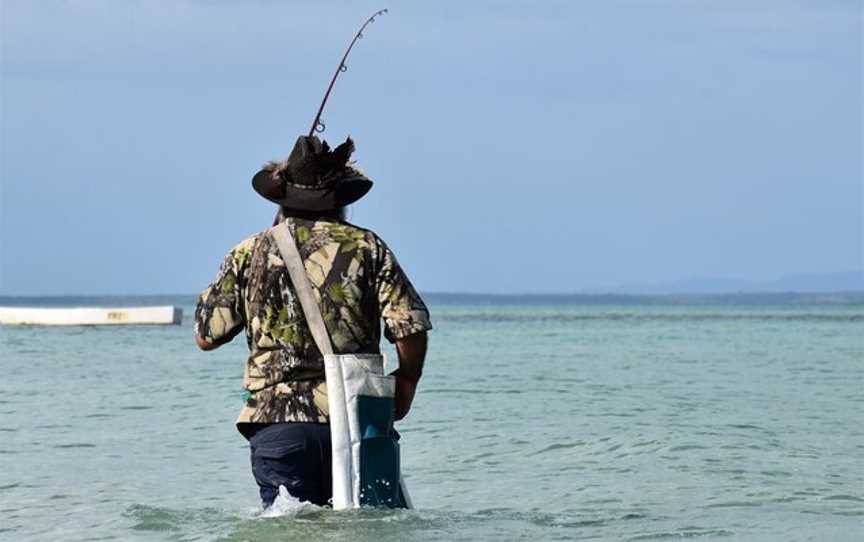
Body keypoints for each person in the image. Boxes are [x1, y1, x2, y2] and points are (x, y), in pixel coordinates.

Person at [193, 135, 431, 508]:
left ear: (281, 199)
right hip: (358, 420)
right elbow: (410, 324)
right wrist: (407, 379)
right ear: (341, 201)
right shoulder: (368, 247)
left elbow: (207, 335)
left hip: (278, 425)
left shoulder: (249, 251)